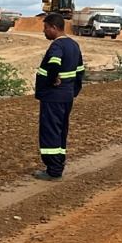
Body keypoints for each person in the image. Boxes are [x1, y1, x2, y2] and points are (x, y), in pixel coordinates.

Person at [34, 12, 83, 180]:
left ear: (54, 28)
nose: (44, 31)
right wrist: (72, 91)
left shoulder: (57, 46)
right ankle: (58, 164)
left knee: (50, 132)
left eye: (45, 28)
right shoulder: (74, 45)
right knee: (61, 131)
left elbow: (54, 62)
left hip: (53, 97)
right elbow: (80, 72)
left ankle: (53, 170)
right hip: (66, 97)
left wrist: (53, 77)